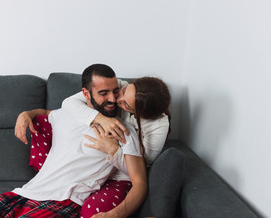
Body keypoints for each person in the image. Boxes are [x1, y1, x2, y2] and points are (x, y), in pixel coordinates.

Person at [0, 64, 147, 218]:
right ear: (86, 94)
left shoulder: (124, 130)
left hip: (64, 201)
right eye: (103, 93)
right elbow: (46, 114)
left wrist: (114, 215)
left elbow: (140, 183)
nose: (113, 99)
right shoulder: (67, 114)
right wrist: (26, 114)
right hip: (25, 193)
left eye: (115, 91)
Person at [15, 65, 171, 218]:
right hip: (79, 170)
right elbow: (66, 105)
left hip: (121, 173)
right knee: (42, 122)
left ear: (139, 113)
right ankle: (51, 180)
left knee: (93, 212)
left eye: (126, 105)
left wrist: (113, 152)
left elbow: (141, 169)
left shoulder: (144, 128)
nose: (117, 100)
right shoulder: (116, 88)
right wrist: (100, 119)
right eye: (121, 92)